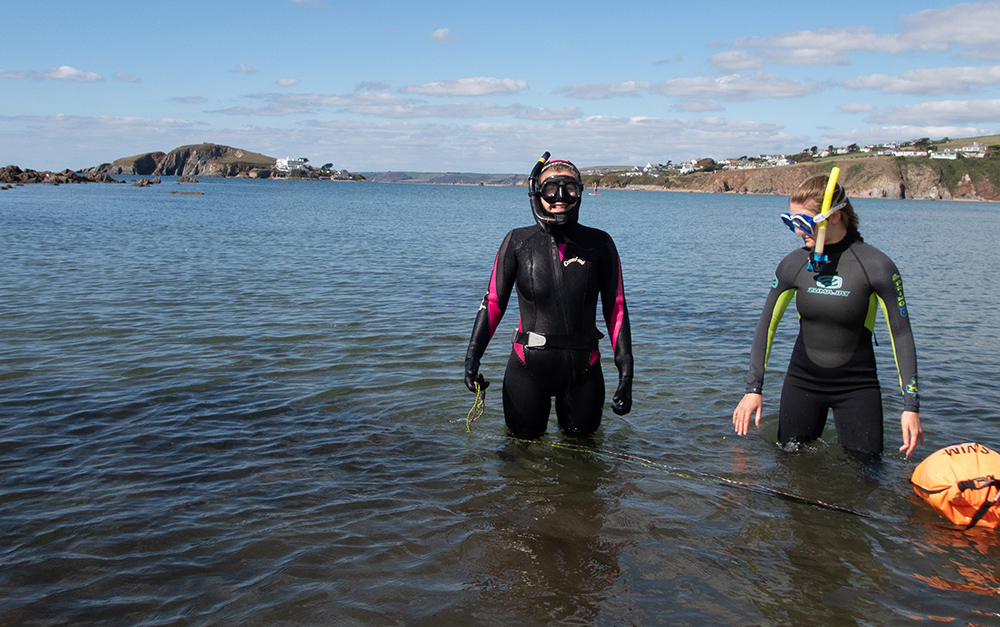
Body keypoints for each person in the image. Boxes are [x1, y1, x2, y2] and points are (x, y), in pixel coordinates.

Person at [732, 174, 923, 458]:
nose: (798, 232)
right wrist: (753, 388)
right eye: (791, 222)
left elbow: (901, 334)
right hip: (802, 382)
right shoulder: (794, 264)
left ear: (834, 216)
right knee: (788, 469)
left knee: (865, 476)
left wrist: (911, 407)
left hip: (857, 387)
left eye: (804, 222)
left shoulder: (877, 266)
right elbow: (766, 326)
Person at [464, 155, 633, 438]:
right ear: (537, 194)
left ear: (580, 192)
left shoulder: (600, 243)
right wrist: (472, 357)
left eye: (570, 189)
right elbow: (493, 303)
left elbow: (616, 309)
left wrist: (626, 373)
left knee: (584, 460)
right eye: (551, 189)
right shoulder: (518, 241)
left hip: (584, 369)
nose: (560, 198)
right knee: (521, 459)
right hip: (527, 367)